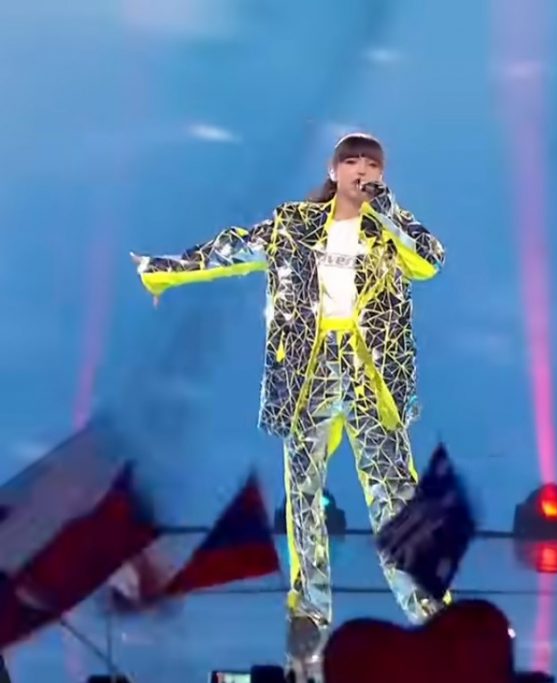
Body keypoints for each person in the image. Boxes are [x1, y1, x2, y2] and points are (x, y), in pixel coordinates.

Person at [130, 133, 448, 675]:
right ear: (333, 169)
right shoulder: (292, 225)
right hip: (310, 373)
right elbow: (231, 249)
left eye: (372, 164)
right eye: (352, 161)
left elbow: (432, 258)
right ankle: (309, 619)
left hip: (371, 376)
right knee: (304, 498)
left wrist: (390, 208)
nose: (362, 170)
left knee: (395, 496)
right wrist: (164, 269)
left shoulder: (389, 233)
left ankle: (430, 613)